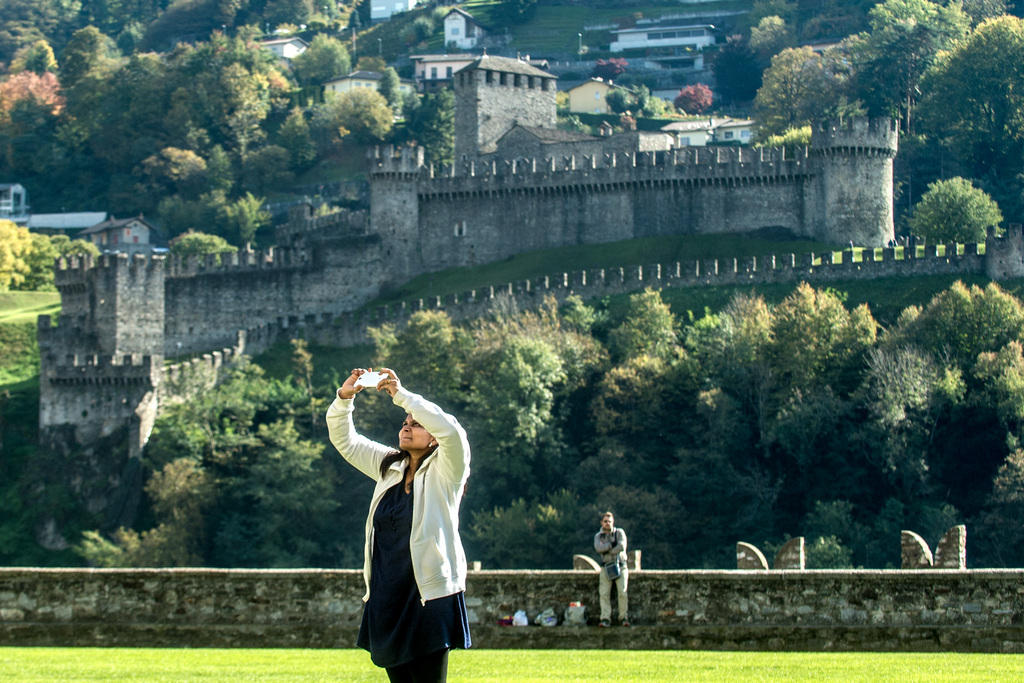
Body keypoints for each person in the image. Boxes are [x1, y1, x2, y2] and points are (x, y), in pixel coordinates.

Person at [327, 367, 471, 683]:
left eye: (416, 424)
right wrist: (344, 399)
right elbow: (345, 441)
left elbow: (451, 431)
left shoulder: (447, 471)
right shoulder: (388, 466)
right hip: (387, 593)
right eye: (405, 423)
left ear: (432, 437)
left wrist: (401, 397)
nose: (407, 426)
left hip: (428, 596)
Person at [593, 511, 629, 627]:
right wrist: (612, 546)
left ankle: (623, 617)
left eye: (609, 521)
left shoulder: (619, 532)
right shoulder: (598, 536)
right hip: (606, 566)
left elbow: (622, 546)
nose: (607, 523)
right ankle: (605, 618)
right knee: (604, 593)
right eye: (605, 521)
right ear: (601, 523)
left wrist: (607, 550)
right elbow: (598, 548)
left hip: (620, 565)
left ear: (613, 522)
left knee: (622, 592)